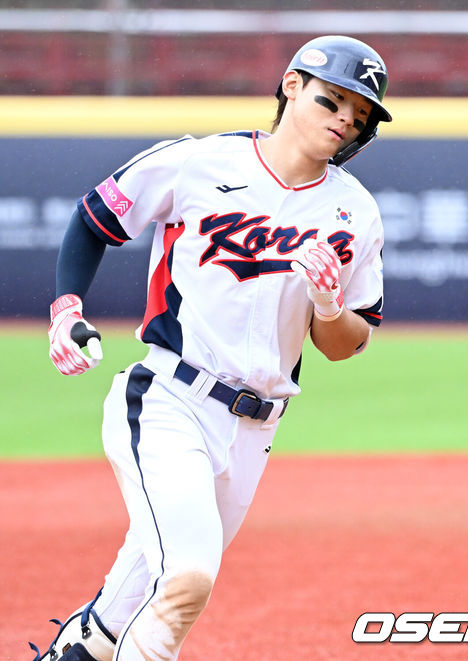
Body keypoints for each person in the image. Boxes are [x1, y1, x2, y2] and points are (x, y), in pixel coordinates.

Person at [32, 34, 391, 661]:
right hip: (169, 400)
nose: (342, 120)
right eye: (332, 99)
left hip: (255, 431)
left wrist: (329, 306)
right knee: (187, 578)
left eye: (357, 116)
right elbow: (94, 219)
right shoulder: (199, 162)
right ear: (289, 86)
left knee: (128, 604)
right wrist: (67, 310)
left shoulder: (354, 212)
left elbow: (346, 343)